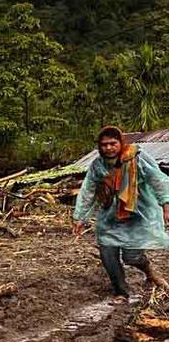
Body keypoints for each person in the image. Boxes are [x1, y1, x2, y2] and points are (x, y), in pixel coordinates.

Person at [72, 126, 169, 302]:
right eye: (104, 145)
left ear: (120, 143)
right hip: (110, 217)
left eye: (112, 143)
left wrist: (166, 203)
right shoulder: (97, 165)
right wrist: (80, 217)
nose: (108, 148)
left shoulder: (136, 157)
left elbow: (158, 179)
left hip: (138, 215)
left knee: (132, 257)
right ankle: (121, 292)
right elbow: (88, 191)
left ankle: (150, 272)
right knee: (107, 253)